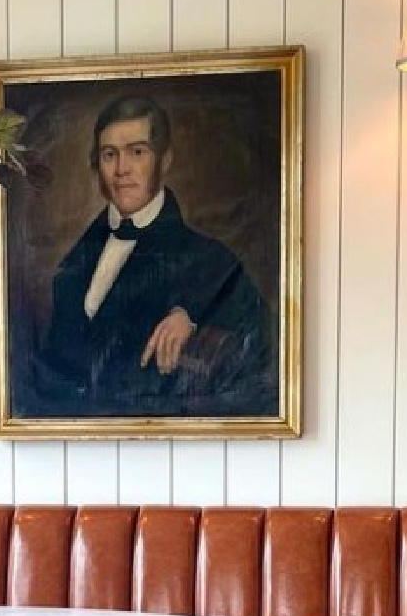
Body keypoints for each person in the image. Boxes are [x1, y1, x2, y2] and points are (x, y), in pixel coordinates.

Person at [20, 93, 274, 418]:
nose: (122, 169)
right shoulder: (74, 262)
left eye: (137, 152)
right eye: (109, 155)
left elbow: (264, 352)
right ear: (97, 165)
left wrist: (197, 323)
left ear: (163, 161)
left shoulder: (210, 258)